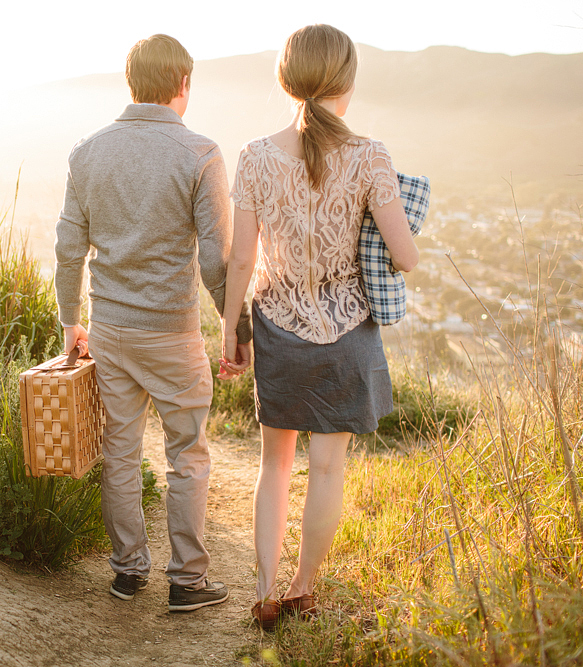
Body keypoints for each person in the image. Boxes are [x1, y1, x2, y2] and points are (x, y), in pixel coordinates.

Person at [217, 24, 419, 630]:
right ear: (347, 82)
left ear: (286, 78)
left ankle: (264, 587)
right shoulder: (370, 155)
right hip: (349, 331)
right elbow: (406, 257)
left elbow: (243, 260)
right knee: (328, 468)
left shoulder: (255, 156)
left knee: (273, 465)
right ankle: (304, 589)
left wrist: (231, 328)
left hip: (277, 325)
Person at [54, 34, 252, 612]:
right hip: (172, 331)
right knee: (186, 452)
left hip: (110, 330)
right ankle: (187, 580)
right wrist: (235, 330)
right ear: (183, 85)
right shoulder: (200, 154)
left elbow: (69, 248)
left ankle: (126, 571)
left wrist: (72, 322)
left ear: (130, 82)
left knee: (119, 450)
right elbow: (217, 260)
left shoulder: (86, 151)